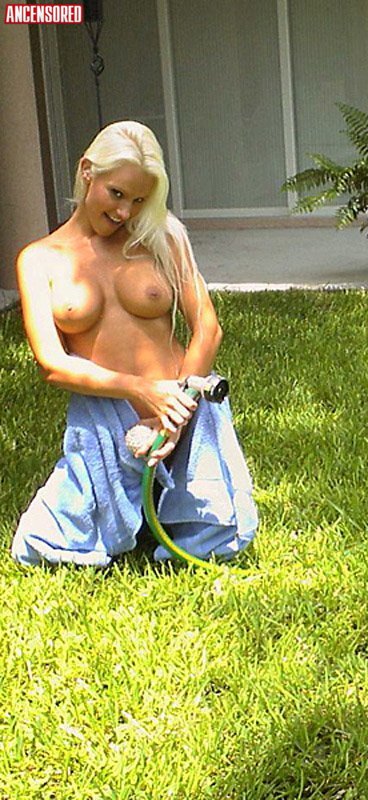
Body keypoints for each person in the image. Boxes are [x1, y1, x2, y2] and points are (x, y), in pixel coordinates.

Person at [11, 120, 258, 567]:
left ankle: (171, 499)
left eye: (139, 200)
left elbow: (207, 327)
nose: (125, 212)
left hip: (184, 407)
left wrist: (177, 411)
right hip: (108, 418)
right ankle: (131, 504)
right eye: (117, 194)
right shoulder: (39, 259)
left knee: (219, 537)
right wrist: (142, 390)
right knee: (43, 546)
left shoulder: (161, 237)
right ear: (88, 171)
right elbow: (51, 364)